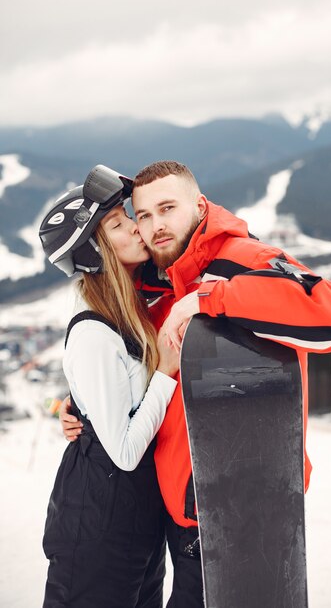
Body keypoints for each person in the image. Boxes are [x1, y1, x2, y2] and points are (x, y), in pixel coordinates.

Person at [63, 161, 331, 608]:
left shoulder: (242, 260)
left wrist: (208, 299)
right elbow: (138, 369)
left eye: (168, 208)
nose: (155, 225)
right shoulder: (160, 284)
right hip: (177, 519)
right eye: (143, 215)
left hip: (239, 514)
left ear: (199, 206)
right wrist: (82, 404)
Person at [38, 166, 179, 608]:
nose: (138, 228)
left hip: (135, 521)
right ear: (95, 253)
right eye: (120, 225)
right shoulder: (95, 333)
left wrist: (80, 404)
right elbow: (124, 450)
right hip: (97, 527)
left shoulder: (128, 310)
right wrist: (166, 374)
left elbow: (116, 394)